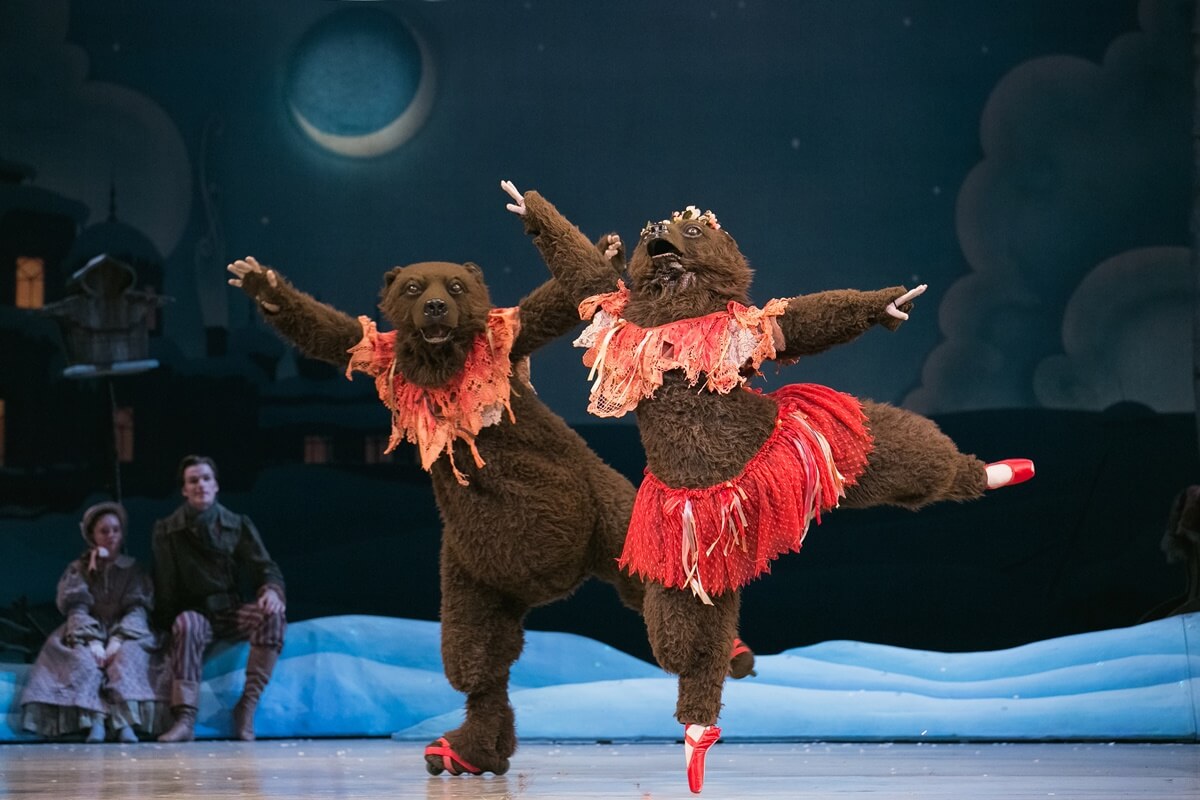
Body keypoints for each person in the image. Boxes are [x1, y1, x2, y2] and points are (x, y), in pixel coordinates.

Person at [152, 455, 286, 742]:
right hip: (195, 612)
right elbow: (165, 585)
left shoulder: (237, 525)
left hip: (230, 610)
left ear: (215, 485)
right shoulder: (168, 530)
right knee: (187, 624)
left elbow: (264, 567)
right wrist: (164, 627)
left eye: (205, 479)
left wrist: (271, 591)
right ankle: (185, 718)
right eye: (193, 481)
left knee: (273, 615)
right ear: (184, 490)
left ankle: (247, 707)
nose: (200, 485)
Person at [19, 501, 170, 742]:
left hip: (126, 630)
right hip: (86, 629)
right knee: (83, 661)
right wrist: (93, 642)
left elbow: (137, 608)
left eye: (116, 530)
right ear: (92, 535)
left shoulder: (133, 569)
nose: (111, 536)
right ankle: (95, 722)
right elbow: (77, 607)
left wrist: (118, 640)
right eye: (104, 531)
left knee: (128, 659)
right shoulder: (79, 569)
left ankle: (125, 723)